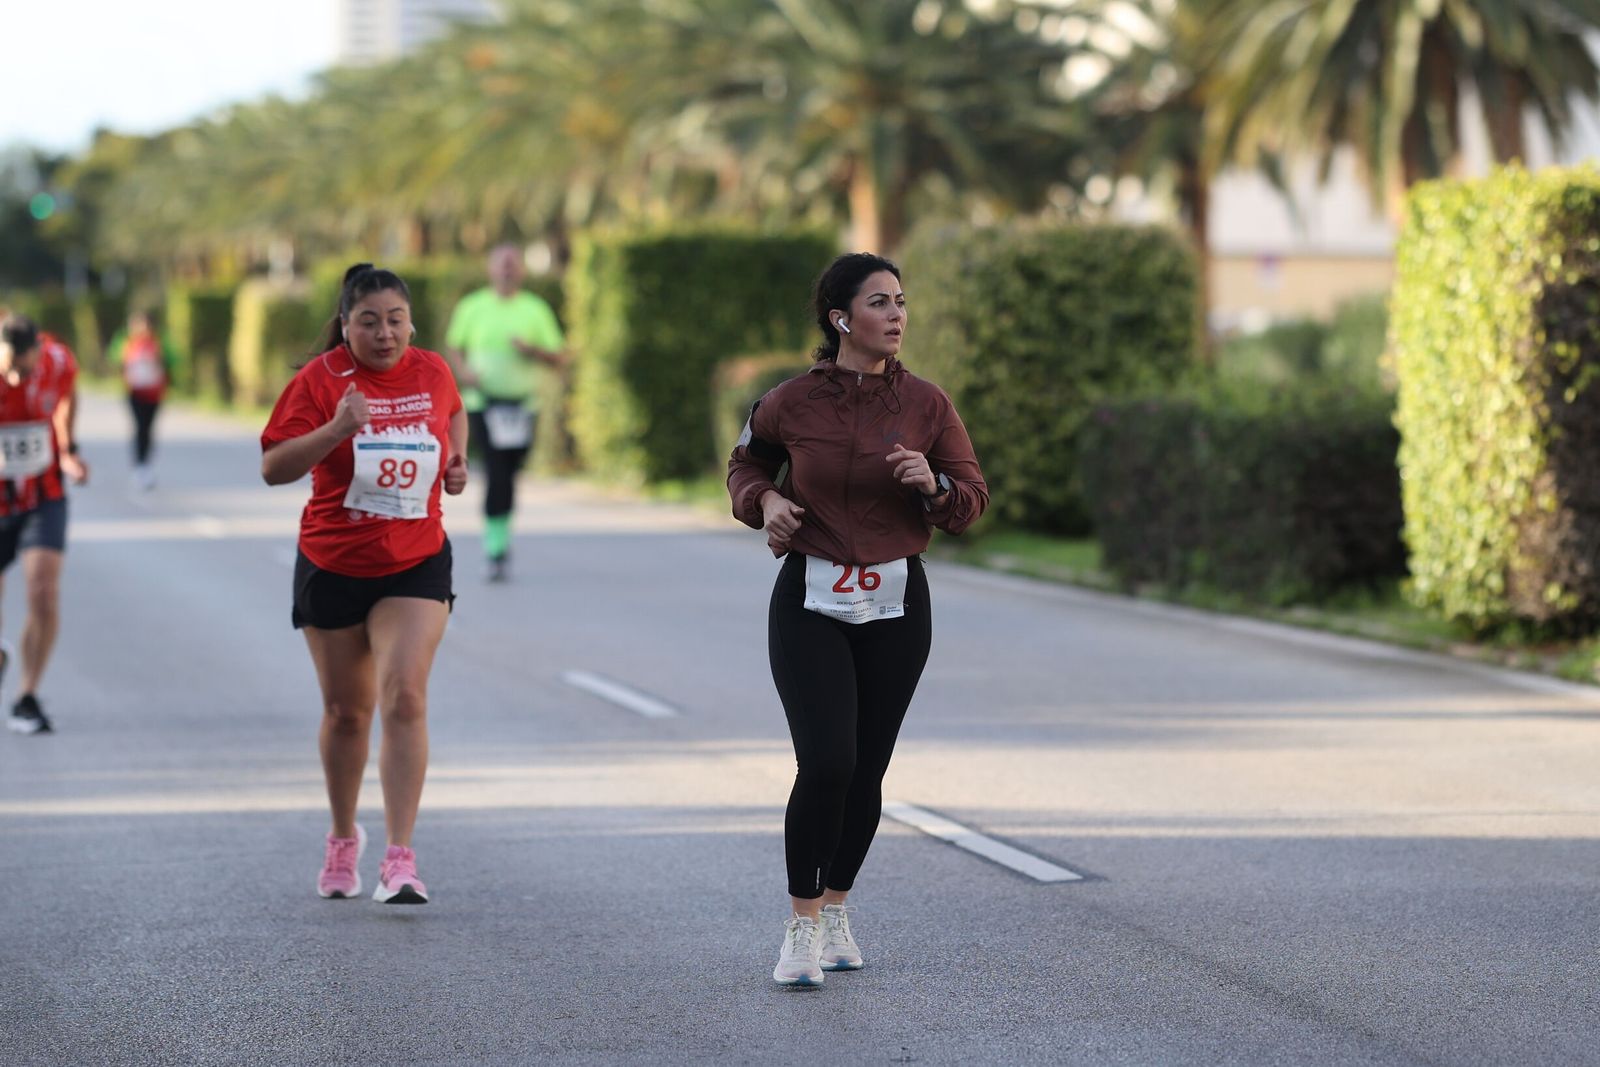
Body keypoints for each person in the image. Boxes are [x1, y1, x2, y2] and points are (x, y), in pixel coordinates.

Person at [727, 253, 989, 986]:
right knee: (827, 762)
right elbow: (746, 465)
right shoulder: (790, 402)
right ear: (841, 318)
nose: (897, 314)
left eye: (901, 301)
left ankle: (837, 906)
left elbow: (971, 497)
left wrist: (933, 486)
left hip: (897, 604)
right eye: (880, 302)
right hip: (811, 598)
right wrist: (766, 503)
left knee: (867, 766)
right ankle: (801, 925)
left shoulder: (927, 404)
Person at [261, 264, 468, 904]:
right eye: (370, 322)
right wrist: (335, 430)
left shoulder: (432, 371)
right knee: (347, 714)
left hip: (415, 559)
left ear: (412, 324)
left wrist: (456, 459)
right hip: (333, 564)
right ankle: (342, 837)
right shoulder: (319, 381)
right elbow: (273, 467)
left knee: (405, 697)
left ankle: (399, 859)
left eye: (396, 320)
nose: (385, 334)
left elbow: (454, 413)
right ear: (345, 326)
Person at [443, 243, 566, 582]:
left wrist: (532, 350)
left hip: (523, 406)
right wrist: (464, 372)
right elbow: (454, 345)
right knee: (497, 472)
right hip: (484, 404)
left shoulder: (535, 309)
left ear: (521, 271)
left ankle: (501, 533)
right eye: (502, 264)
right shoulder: (473, 306)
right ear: (491, 269)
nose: (508, 270)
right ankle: (495, 548)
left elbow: (559, 356)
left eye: (513, 265)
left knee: (510, 473)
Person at [0, 316, 89, 735]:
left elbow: (69, 395)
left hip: (44, 494)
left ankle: (27, 695)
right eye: (8, 370)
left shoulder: (58, 361)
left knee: (43, 591)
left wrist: (68, 447)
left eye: (23, 368)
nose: (16, 378)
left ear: (37, 351)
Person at [108, 309, 179, 490]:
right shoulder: (126, 341)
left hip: (154, 393)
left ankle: (146, 463)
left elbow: (173, 360)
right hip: (134, 392)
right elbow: (115, 358)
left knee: (148, 428)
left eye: (146, 324)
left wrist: (161, 361)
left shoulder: (160, 342)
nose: (142, 328)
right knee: (140, 427)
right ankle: (139, 464)